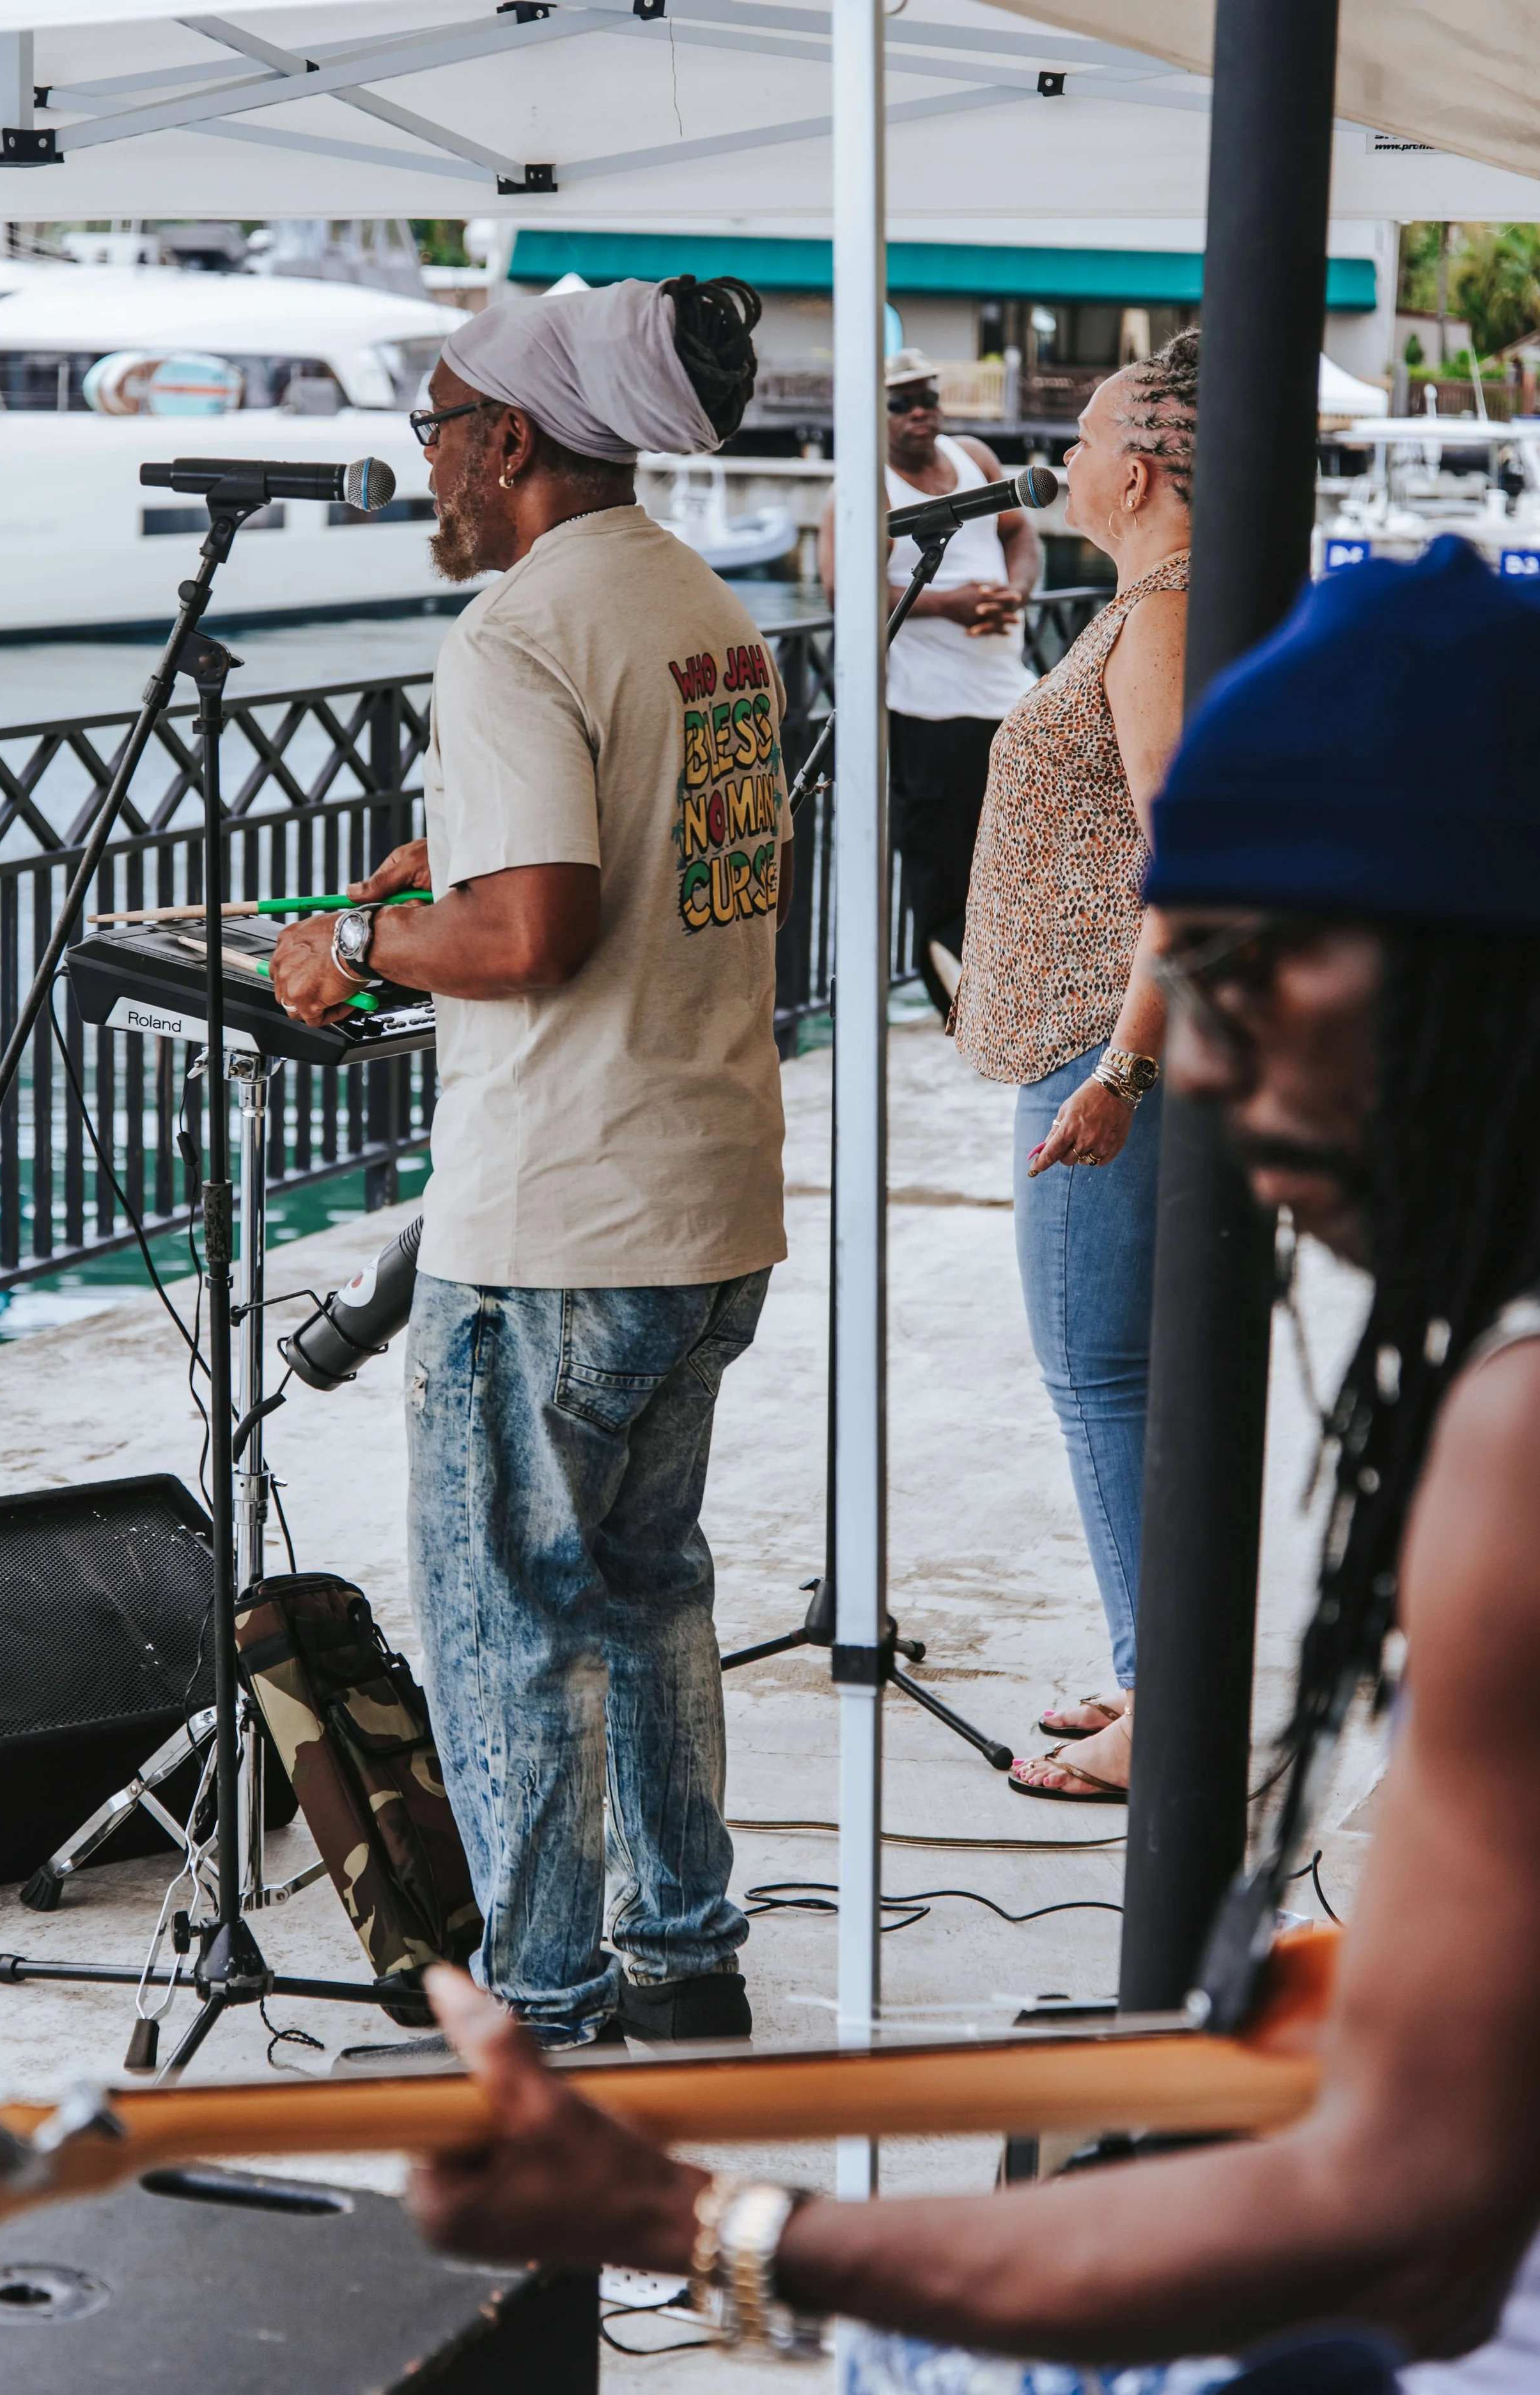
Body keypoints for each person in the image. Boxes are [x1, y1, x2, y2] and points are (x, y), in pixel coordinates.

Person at [400, 538, 1540, 2390]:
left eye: (1248, 974)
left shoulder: (1515, 1445)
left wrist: (690, 2224)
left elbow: (1396, 2232)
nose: (1219, 1076)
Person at [270, 274, 795, 2050]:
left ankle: (547, 2011)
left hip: (560, 1217)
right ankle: (681, 1957)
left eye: (433, 430)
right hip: (703, 1193)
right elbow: (631, 851)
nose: (425, 466)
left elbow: (526, 936)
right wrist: (464, 865)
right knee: (645, 1597)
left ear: (508, 441)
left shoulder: (510, 634)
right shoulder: (697, 605)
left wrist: (348, 939)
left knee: (506, 1630)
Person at [953, 331, 1197, 1800]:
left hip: (1102, 1049)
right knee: (1124, 1374)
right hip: (1094, 1041)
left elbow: (1194, 849)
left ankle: (1164, 1716)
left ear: (1144, 467)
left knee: (1101, 1374)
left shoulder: (1166, 615)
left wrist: (1125, 1068)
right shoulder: (1152, 605)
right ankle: (1150, 1670)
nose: (1063, 459)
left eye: (1085, 432)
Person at [820, 348, 1043, 1018]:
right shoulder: (865, 484)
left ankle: (1007, 991)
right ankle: (959, 1006)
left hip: (1004, 689)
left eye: (928, 397)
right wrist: (950, 604)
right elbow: (843, 588)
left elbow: (1020, 533)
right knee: (942, 864)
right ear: (874, 413)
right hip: (929, 705)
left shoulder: (973, 456)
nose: (921, 412)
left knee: (1013, 852)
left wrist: (1013, 594)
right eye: (901, 402)